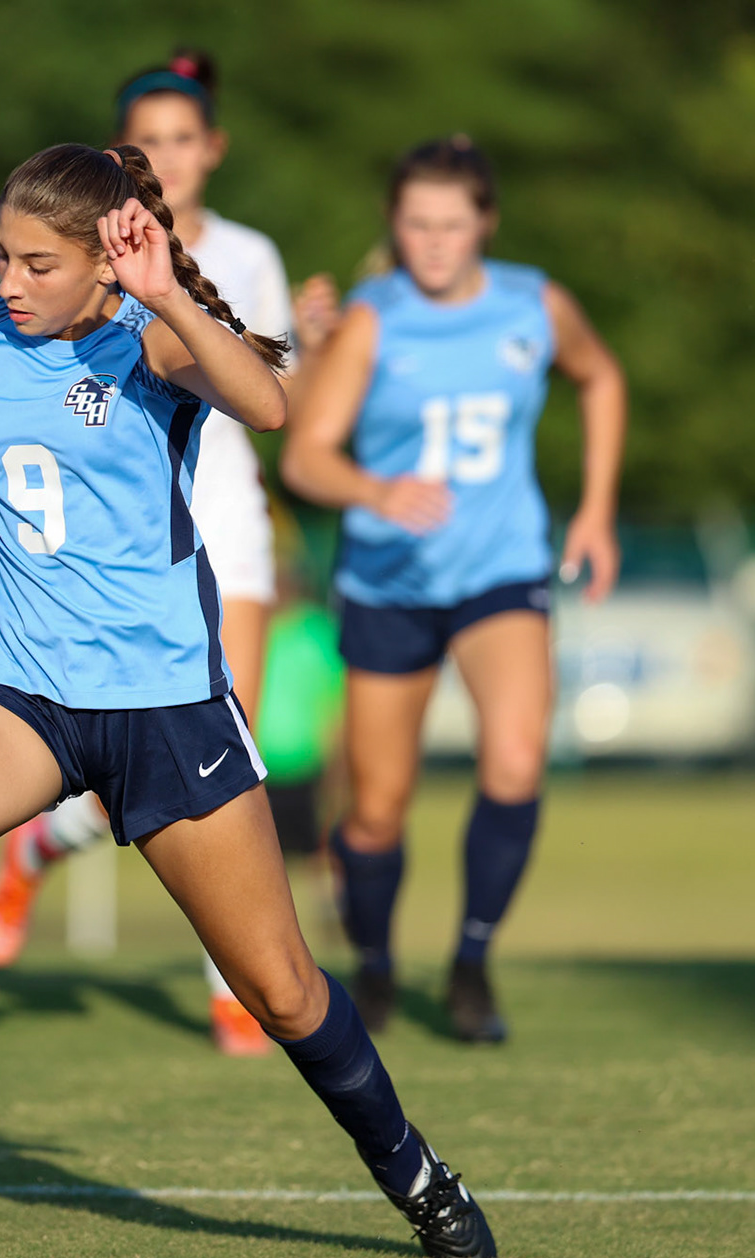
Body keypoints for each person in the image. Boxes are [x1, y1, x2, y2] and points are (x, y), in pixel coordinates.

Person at [0, 142, 495, 1258]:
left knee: (280, 988)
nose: (9, 282)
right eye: (2, 255)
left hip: (163, 705)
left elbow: (270, 405)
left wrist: (167, 293)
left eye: (39, 262)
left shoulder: (150, 343)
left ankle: (418, 1175)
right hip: (18, 688)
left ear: (103, 264)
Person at [0, 49, 298, 1057]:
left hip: (220, 522)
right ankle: (40, 841)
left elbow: (271, 384)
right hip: (117, 533)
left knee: (231, 755)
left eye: (184, 137)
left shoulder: (247, 253)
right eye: (149, 139)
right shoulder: (71, 271)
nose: (169, 155)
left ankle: (233, 988)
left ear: (214, 151)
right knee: (140, 762)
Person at [280, 136, 626, 1043]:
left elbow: (600, 378)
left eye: (452, 224)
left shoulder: (532, 303)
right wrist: (375, 489)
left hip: (499, 570)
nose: (434, 242)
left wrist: (594, 510)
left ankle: (471, 963)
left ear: (486, 223)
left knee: (515, 760)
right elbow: (307, 457)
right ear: (395, 226)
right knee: (377, 809)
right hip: (388, 582)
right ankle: (378, 968)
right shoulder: (370, 319)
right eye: (416, 224)